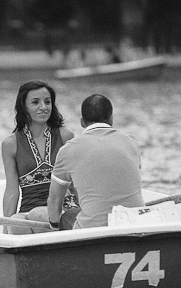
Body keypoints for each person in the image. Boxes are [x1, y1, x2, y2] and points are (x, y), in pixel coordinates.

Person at [46, 94, 144, 230]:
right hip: (137, 224)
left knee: (68, 216)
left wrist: (54, 227)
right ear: (111, 119)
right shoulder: (132, 143)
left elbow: (54, 200)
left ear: (82, 122)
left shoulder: (68, 150)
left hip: (92, 230)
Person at [1, 80, 75, 233]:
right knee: (15, 223)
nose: (43, 107)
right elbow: (11, 190)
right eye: (35, 102)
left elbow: (76, 182)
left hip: (62, 209)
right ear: (23, 107)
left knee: (39, 215)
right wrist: (5, 228)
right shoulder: (10, 143)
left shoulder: (65, 136)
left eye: (47, 102)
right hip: (28, 210)